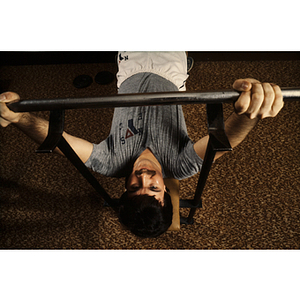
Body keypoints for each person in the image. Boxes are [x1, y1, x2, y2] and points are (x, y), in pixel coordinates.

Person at [0, 52, 284, 237]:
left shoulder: (110, 162)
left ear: (124, 188)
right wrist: (250, 113)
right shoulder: (182, 165)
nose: (145, 176)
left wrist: (21, 118)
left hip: (130, 67)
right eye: (155, 187)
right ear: (165, 193)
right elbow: (224, 143)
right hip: (171, 69)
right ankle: (188, 64)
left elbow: (62, 144)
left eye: (135, 187)